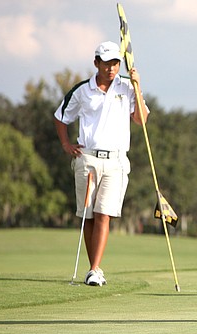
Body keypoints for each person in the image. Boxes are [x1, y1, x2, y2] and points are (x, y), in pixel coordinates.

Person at [54, 41, 149, 286]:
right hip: (87, 159)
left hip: (116, 160)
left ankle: (95, 269)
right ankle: (93, 268)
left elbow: (141, 120)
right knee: (88, 217)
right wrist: (66, 145)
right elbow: (60, 117)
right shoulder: (82, 90)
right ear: (96, 63)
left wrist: (138, 87)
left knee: (104, 214)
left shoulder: (127, 86)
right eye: (107, 63)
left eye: (116, 63)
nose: (111, 68)